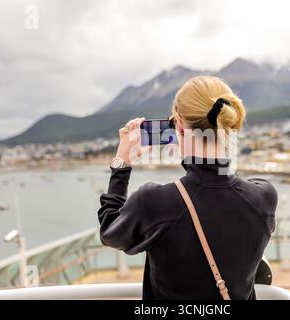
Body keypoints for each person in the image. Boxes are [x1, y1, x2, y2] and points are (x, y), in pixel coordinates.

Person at [98, 76, 277, 300]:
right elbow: (225, 185)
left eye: (174, 123)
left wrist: (122, 160)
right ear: (228, 124)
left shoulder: (154, 202)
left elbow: (109, 232)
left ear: (180, 128)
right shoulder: (264, 197)